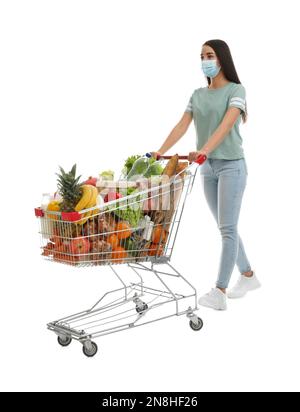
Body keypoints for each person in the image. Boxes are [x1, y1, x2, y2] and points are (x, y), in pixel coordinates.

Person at [152, 39, 260, 311]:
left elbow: (227, 124)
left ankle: (220, 291)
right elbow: (182, 125)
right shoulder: (197, 94)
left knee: (227, 229)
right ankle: (248, 276)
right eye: (202, 56)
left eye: (210, 55)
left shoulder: (237, 90)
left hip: (232, 166)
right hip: (208, 169)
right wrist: (159, 151)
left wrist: (203, 150)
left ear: (222, 58)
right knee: (227, 227)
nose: (205, 60)